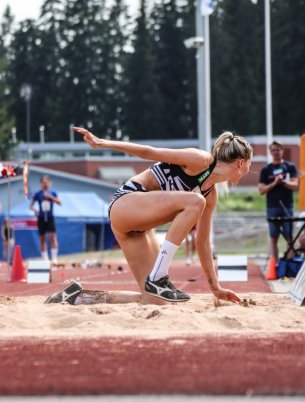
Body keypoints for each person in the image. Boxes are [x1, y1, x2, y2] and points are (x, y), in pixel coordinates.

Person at [72, 127, 253, 305]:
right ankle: (158, 277)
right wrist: (103, 143)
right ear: (240, 163)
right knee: (195, 201)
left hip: (139, 228)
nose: (249, 170)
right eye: (249, 165)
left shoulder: (211, 195)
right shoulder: (201, 160)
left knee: (154, 300)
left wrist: (216, 288)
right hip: (125, 205)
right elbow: (148, 152)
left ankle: (77, 297)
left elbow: (203, 242)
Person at [258, 141, 298, 262]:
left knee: (289, 237)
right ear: (270, 152)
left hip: (287, 205)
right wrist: (275, 183)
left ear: (282, 151)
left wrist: (284, 182)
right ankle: (275, 264)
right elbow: (261, 190)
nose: (276, 152)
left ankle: (290, 264)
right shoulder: (266, 169)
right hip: (272, 207)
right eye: (273, 150)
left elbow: (296, 185)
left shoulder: (290, 167)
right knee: (274, 237)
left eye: (278, 150)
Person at [30, 175, 62, 264]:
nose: (45, 184)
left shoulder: (53, 193)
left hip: (50, 217)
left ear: (50, 183)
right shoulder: (38, 194)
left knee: (52, 237)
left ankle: (54, 258)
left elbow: (60, 202)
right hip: (41, 218)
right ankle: (45, 259)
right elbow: (31, 206)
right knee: (42, 238)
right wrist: (35, 211)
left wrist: (50, 197)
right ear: (40, 184)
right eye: (43, 183)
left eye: (46, 182)